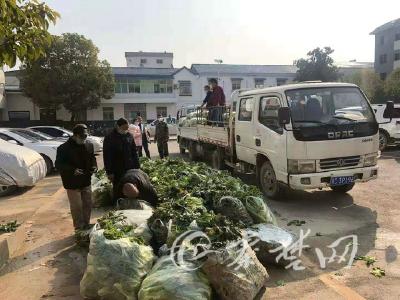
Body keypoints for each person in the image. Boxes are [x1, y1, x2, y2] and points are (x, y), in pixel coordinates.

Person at [55, 124, 97, 230]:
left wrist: (94, 167)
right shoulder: (63, 148)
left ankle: (86, 224)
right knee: (77, 206)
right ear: (75, 135)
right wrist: (73, 170)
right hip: (72, 182)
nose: (84, 139)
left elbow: (93, 158)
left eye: (85, 136)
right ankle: (79, 226)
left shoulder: (89, 145)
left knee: (87, 203)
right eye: (82, 137)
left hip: (86, 180)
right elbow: (59, 165)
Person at [103, 118, 140, 202]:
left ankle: (130, 204)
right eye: (124, 128)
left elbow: (134, 152)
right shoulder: (110, 137)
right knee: (118, 188)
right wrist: (109, 172)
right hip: (117, 169)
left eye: (127, 128)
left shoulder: (129, 136)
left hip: (129, 167)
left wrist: (137, 167)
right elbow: (107, 156)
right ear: (118, 127)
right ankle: (118, 204)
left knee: (130, 187)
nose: (126, 130)